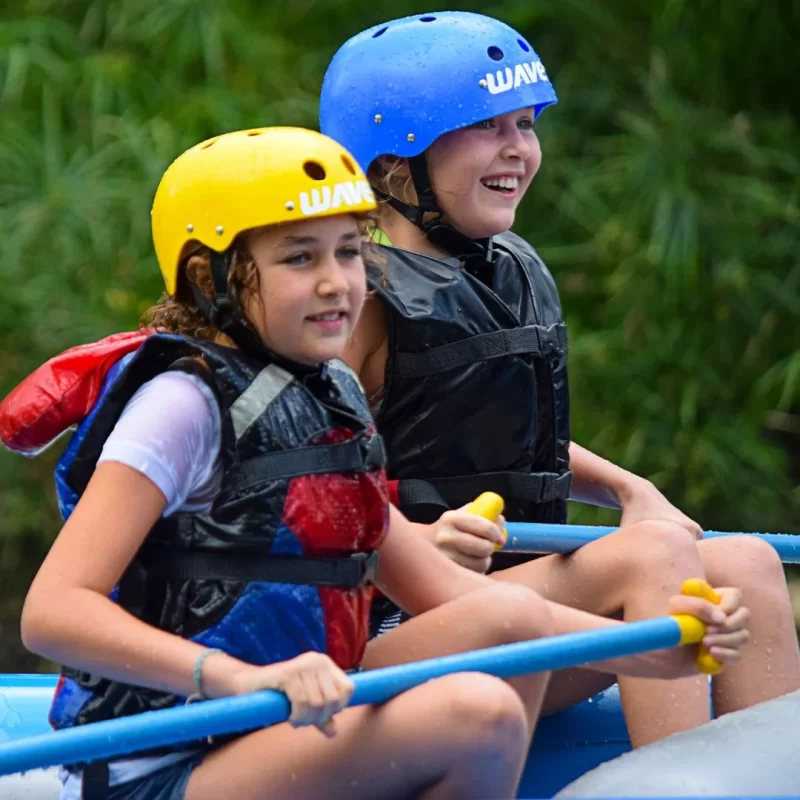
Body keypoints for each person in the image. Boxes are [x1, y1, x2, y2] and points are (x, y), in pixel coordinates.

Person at [3, 127, 748, 800]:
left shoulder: (329, 395)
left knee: (505, 615)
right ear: (210, 280)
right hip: (159, 765)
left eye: (351, 252)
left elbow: (456, 597)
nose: (338, 282)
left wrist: (656, 650)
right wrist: (240, 679)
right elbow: (53, 612)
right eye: (300, 257)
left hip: (278, 726)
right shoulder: (182, 405)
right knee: (477, 710)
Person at [319, 10, 799, 747]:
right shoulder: (362, 302)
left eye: (525, 124)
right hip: (398, 627)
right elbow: (303, 481)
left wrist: (628, 489)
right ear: (393, 166)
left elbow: (508, 441)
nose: (519, 149)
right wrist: (410, 545)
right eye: (487, 127)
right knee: (651, 555)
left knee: (748, 563)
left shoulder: (509, 268)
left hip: (506, 603)